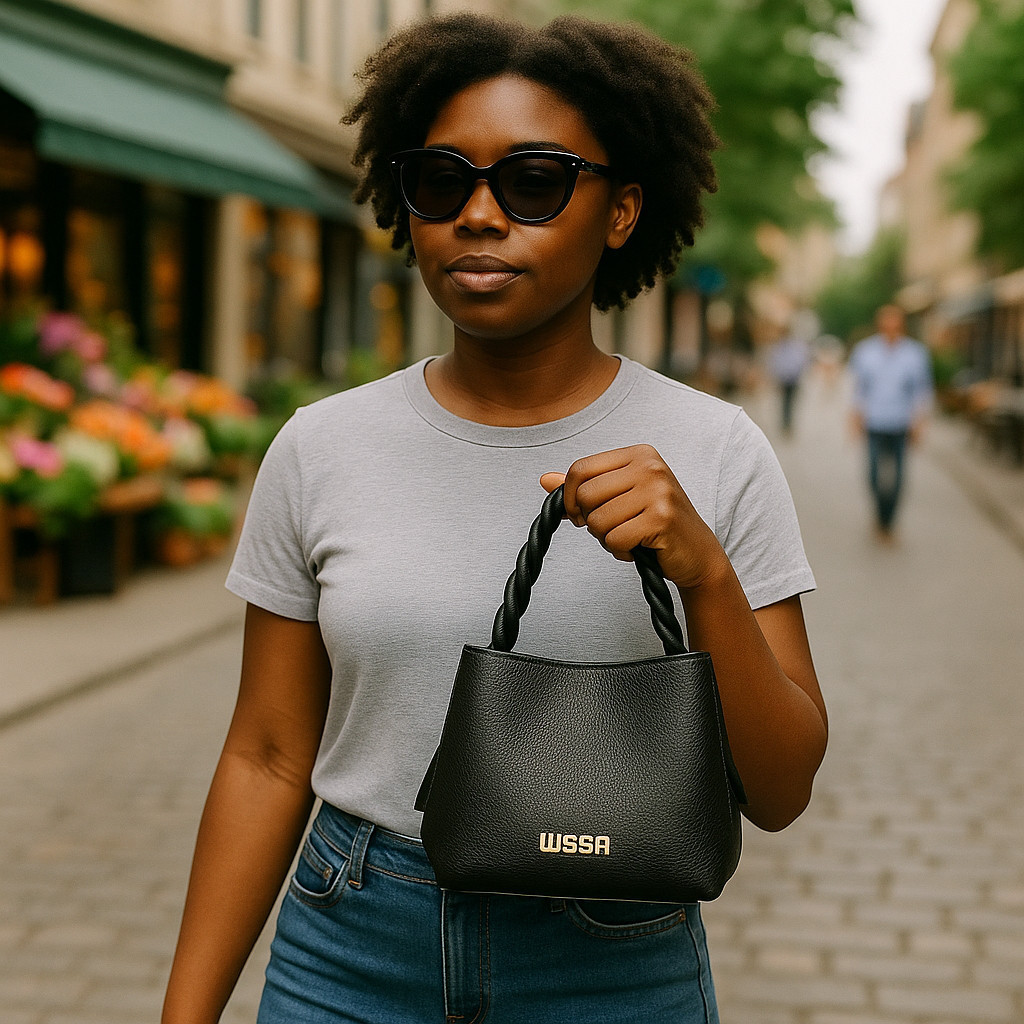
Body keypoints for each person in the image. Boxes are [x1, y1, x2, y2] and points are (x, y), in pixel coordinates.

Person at [161, 13, 828, 1024]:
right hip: (350, 943)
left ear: (619, 211)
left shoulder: (715, 448)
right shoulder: (321, 445)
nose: (479, 214)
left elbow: (779, 790)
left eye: (531, 181)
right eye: (442, 181)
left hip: (609, 956)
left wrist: (705, 575)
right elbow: (266, 752)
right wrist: (185, 1012)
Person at [849, 305, 934, 542]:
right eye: (887, 323)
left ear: (902, 325)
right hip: (874, 422)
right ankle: (879, 513)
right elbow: (858, 389)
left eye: (895, 324)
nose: (891, 328)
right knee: (874, 474)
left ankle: (888, 522)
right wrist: (854, 419)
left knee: (897, 478)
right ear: (880, 325)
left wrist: (919, 423)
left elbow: (922, 391)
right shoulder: (865, 351)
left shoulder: (915, 354)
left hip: (901, 423)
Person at [769, 327, 811, 436]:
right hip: (784, 379)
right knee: (784, 403)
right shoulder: (780, 346)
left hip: (793, 379)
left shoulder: (794, 346)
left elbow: (801, 361)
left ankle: (788, 425)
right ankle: (785, 425)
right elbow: (775, 363)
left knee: (790, 403)